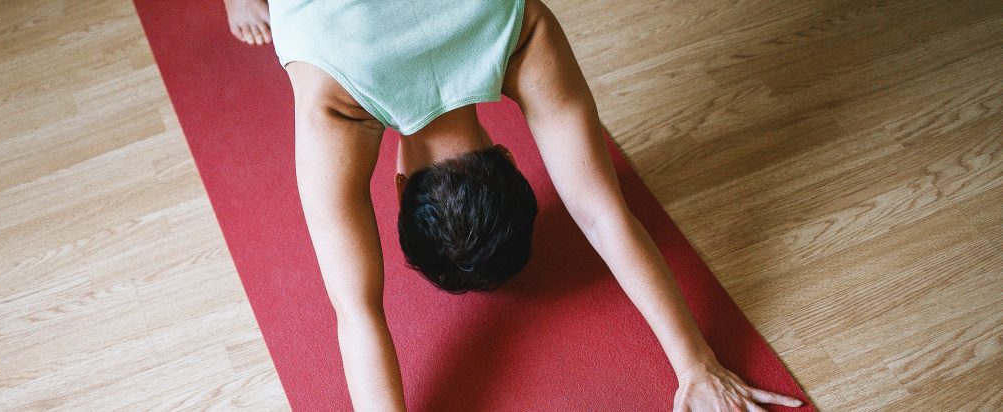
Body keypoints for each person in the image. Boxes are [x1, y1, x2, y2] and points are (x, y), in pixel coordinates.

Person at [223, 0, 806, 410]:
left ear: (508, 155)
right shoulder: (335, 106)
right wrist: (691, 362)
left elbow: (605, 212)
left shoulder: (522, 30)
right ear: (398, 188)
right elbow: (354, 310)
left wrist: (696, 362)